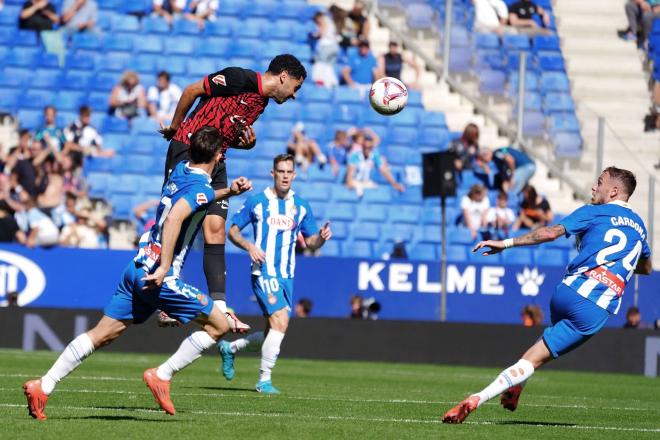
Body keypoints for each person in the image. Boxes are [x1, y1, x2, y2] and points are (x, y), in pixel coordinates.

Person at [22, 127, 253, 420]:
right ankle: (162, 374)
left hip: (137, 267)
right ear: (219, 157)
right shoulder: (201, 189)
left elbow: (193, 199)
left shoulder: (181, 170)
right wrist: (166, 266)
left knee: (103, 334)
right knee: (219, 325)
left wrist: (229, 191)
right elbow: (176, 218)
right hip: (159, 276)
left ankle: (44, 385)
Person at [443, 166, 652, 424]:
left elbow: (550, 232)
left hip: (566, 291)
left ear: (614, 191)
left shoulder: (593, 213)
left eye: (599, 183)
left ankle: (514, 385)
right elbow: (646, 267)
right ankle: (478, 397)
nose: (593, 188)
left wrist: (505, 243)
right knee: (539, 357)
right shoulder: (641, 228)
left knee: (537, 351)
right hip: (593, 307)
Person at [157, 54, 307, 331]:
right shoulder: (240, 78)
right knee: (183, 218)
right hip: (188, 151)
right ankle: (167, 296)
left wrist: (247, 145)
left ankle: (221, 308)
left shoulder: (260, 104)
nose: (295, 95)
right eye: (296, 87)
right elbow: (192, 90)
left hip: (217, 158)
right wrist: (177, 128)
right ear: (284, 75)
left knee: (216, 228)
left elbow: (225, 135)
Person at [216, 154, 332, 393]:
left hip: (286, 275)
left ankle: (231, 349)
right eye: (281, 171)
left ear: (294, 175)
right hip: (263, 271)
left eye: (289, 172)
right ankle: (264, 381)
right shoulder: (257, 201)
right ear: (273, 174)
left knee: (272, 330)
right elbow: (233, 231)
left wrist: (320, 238)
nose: (285, 176)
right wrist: (250, 247)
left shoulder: (301, 206)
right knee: (281, 321)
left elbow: (310, 242)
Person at [345, 133, 404, 197]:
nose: (367, 149)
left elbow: (383, 170)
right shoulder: (355, 156)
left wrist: (394, 184)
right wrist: (350, 182)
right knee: (359, 188)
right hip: (355, 182)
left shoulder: (374, 156)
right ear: (362, 146)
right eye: (365, 147)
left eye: (369, 147)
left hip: (365, 182)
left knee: (377, 189)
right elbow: (350, 173)